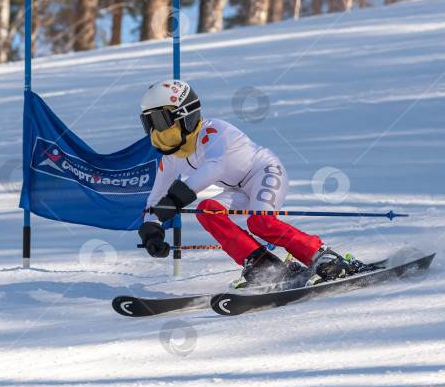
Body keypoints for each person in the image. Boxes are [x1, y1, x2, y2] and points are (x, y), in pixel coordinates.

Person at [136, 79, 358, 289]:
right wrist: (152, 229)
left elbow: (214, 167)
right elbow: (155, 200)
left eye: (160, 121)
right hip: (237, 189)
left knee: (261, 222)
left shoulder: (213, 131)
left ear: (185, 116)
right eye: (149, 123)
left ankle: (324, 258)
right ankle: (263, 265)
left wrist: (174, 200)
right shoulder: (172, 158)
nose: (156, 132)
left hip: (265, 172)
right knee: (206, 211)